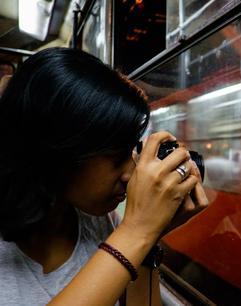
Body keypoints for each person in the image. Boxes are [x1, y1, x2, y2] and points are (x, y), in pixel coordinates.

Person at [0, 47, 208, 306]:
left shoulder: (96, 222)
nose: (130, 174)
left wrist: (148, 239)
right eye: (116, 156)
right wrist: (136, 231)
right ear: (57, 151)